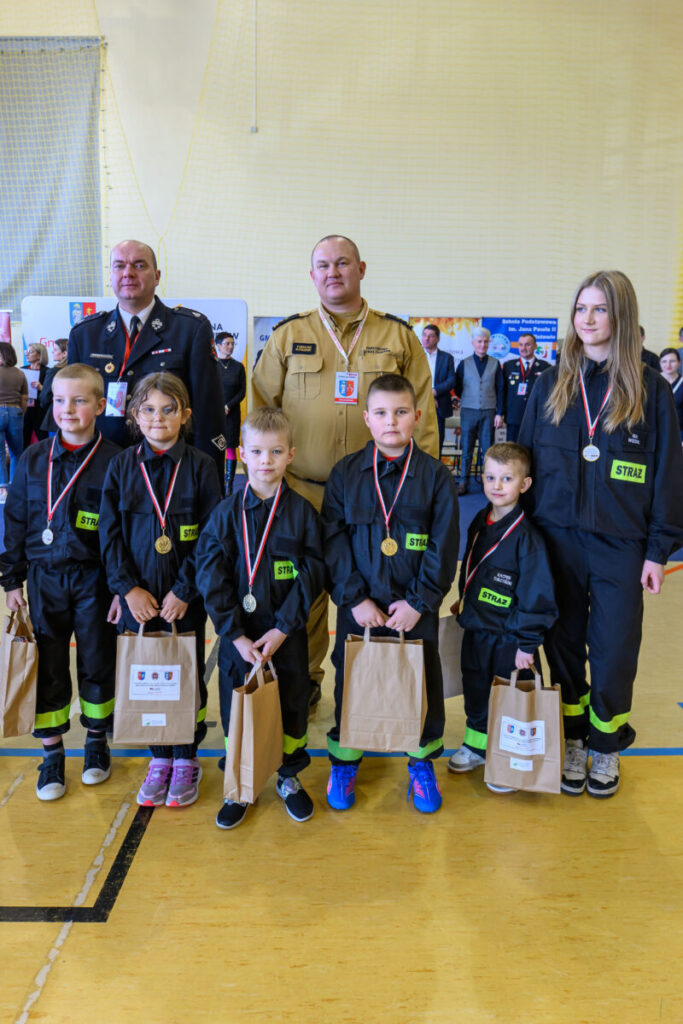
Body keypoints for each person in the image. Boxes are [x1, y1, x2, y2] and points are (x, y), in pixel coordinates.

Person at [253, 235, 439, 705]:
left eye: (342, 263)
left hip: (377, 498)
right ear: (311, 274)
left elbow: (425, 415)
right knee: (298, 590)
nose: (333, 272)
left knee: (374, 589)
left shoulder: (398, 337)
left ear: (361, 268)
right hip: (299, 490)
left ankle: (371, 683)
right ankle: (304, 679)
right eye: (323, 265)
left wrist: (426, 489)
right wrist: (258, 483)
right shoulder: (286, 336)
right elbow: (259, 411)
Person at [518, 270, 683, 798]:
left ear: (621, 316)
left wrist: (658, 550)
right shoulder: (550, 383)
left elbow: (667, 476)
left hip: (621, 544)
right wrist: (516, 534)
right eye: (580, 309)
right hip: (554, 537)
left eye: (599, 310)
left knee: (614, 647)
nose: (586, 320)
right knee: (563, 643)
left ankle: (606, 746)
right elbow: (521, 458)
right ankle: (572, 738)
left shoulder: (651, 391)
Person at [321, 373, 459, 814]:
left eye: (401, 412)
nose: (391, 422)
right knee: (352, 680)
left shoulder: (436, 477)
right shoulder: (345, 474)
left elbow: (444, 544)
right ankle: (346, 759)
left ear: (417, 417)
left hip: (413, 609)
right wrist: (355, 598)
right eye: (381, 413)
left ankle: (420, 762)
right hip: (359, 608)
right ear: (366, 418)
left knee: (420, 682)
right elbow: (333, 541)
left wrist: (420, 602)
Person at [195, 407, 325, 830]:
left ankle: (288, 777)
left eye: (275, 451)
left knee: (291, 706)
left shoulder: (303, 514)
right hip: (240, 640)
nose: (265, 460)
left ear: (291, 454)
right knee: (238, 709)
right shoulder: (225, 514)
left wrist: (284, 626)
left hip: (284, 637)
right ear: (241, 454)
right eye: (257, 451)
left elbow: (313, 573)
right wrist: (232, 634)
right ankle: (242, 784)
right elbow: (210, 575)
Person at [99, 372, 222, 808]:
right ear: (134, 414)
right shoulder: (120, 466)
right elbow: (109, 537)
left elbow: (211, 538)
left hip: (183, 599)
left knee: (185, 674)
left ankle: (187, 756)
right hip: (139, 599)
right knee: (147, 676)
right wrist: (127, 588)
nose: (158, 418)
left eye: (168, 409)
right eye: (148, 409)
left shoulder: (205, 467)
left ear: (185, 416)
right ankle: (159, 756)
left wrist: (186, 590)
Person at [0, 364, 121, 800]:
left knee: (97, 659)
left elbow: (120, 532)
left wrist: (121, 589)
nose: (68, 409)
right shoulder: (33, 459)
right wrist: (11, 580)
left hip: (96, 583)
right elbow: (14, 520)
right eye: (60, 400)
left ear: (101, 405)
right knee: (47, 664)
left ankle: (95, 742)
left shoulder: (115, 460)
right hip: (43, 579)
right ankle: (51, 754)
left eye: (80, 400)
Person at [447, 442, 557, 791]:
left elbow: (537, 595)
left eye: (507, 478)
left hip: (511, 638)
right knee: (476, 688)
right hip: (476, 627)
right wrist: (463, 599)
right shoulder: (481, 519)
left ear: (524, 485)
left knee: (509, 697)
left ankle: (507, 756)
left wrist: (528, 642)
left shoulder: (529, 539)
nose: (496, 485)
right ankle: (477, 746)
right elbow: (472, 564)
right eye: (490, 477)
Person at [68, 239, 227, 480]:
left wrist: (207, 478)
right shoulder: (85, 334)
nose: (128, 273)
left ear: (157, 276)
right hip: (100, 468)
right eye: (119, 266)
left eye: (139, 265)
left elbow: (207, 412)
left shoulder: (190, 329)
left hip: (168, 468)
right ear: (110, 275)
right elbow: (71, 409)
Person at [453, 327, 504, 495]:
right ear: (473, 343)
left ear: (489, 343)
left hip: (489, 412)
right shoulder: (464, 363)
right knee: (466, 449)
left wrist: (499, 413)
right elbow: (458, 387)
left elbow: (501, 389)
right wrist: (468, 399)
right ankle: (463, 482)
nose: (482, 345)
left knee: (488, 451)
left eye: (485, 342)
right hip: (468, 411)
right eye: (479, 341)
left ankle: (488, 483)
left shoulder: (495, 364)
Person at [502, 333, 550, 442]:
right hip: (513, 416)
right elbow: (502, 392)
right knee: (513, 451)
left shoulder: (545, 367)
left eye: (527, 345)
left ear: (535, 346)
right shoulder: (508, 366)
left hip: (536, 417)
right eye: (521, 345)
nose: (523, 348)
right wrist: (501, 413)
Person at [215, 331, 246, 495]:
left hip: (232, 414)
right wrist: (218, 407)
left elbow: (242, 392)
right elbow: (208, 390)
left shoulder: (238, 367)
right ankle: (216, 482)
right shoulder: (212, 366)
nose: (231, 346)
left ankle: (229, 485)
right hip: (214, 413)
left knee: (230, 447)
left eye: (232, 343)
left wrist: (228, 406)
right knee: (215, 447)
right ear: (218, 345)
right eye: (227, 343)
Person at [421, 323, 457, 453]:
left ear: (437, 339)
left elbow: (451, 380)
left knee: (437, 440)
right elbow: (412, 380)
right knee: (419, 441)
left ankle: (436, 471)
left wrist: (434, 392)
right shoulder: (416, 357)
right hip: (419, 405)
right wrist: (427, 395)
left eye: (430, 336)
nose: (426, 339)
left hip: (439, 405)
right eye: (424, 335)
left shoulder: (447, 358)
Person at [0, 340, 28, 500]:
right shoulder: (20, 373)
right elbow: (24, 398)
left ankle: (2, 490)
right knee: (17, 451)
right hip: (15, 411)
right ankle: (16, 486)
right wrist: (20, 413)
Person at [39, 338, 69, 434]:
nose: (52, 351)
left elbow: (45, 397)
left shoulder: (53, 371)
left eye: (55, 349)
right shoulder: (80, 370)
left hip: (55, 417)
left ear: (64, 353)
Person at [22, 341, 49, 448]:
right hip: (25, 410)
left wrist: (40, 387)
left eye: (30, 352)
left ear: (39, 355)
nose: (27, 354)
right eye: (26, 352)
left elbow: (51, 394)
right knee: (23, 441)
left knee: (44, 441)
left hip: (40, 411)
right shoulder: (22, 370)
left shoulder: (47, 371)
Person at [659, 347, 683, 442]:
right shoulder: (651, 382)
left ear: (679, 363)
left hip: (678, 432)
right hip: (656, 431)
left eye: (672, 361)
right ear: (660, 363)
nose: (668, 365)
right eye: (664, 361)